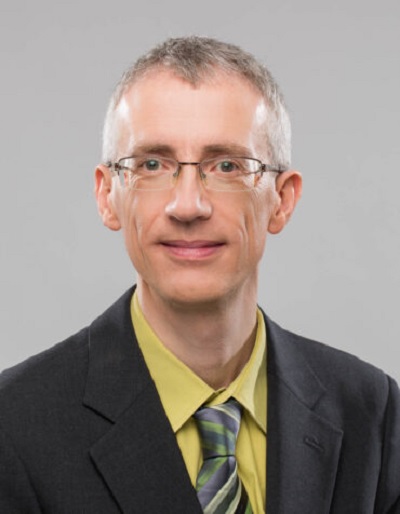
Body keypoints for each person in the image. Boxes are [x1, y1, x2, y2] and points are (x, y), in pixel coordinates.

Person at [0, 36, 399, 514]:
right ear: (108, 196)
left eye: (227, 165)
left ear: (282, 200)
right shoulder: (14, 425)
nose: (188, 205)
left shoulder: (371, 412)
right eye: (152, 164)